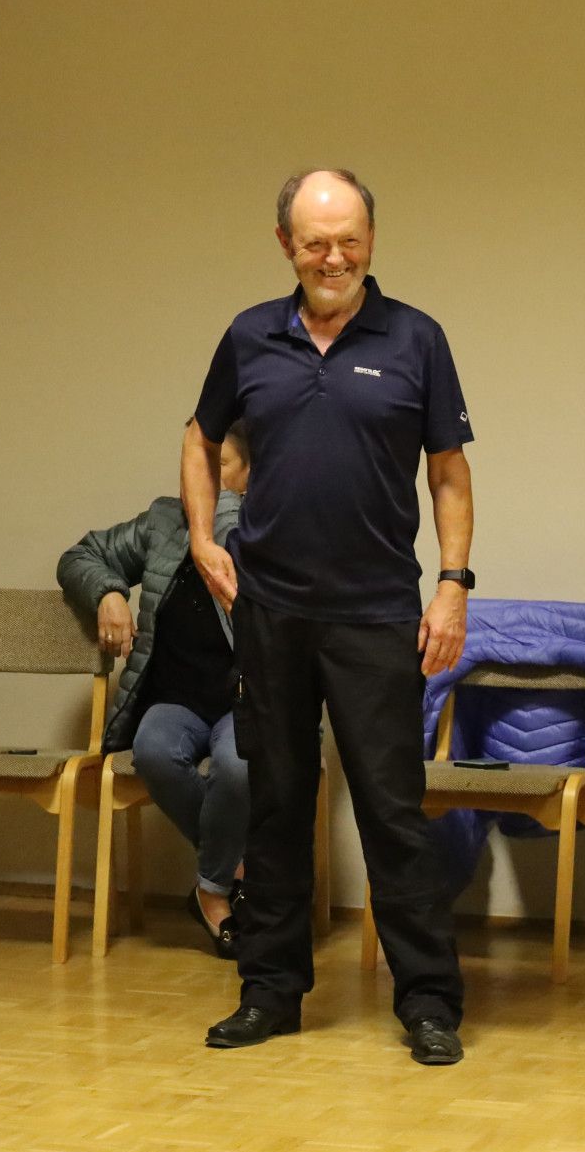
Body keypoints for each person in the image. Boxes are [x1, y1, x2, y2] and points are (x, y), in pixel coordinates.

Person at [184, 168, 473, 1066]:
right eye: (316, 243)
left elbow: (448, 472)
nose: (334, 257)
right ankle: (270, 991)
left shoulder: (417, 338)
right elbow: (199, 435)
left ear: (372, 240)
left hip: (376, 612)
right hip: (270, 611)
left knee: (392, 809)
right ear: (286, 245)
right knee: (275, 804)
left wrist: (453, 583)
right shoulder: (249, 336)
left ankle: (428, 1000)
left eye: (349, 240)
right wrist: (202, 537)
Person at [57, 425, 251, 957]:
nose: (201, 476)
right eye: (195, 462)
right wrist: (109, 593)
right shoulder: (162, 522)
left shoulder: (268, 528)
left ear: (249, 475)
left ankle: (210, 893)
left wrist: (223, 516)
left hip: (245, 701)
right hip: (175, 698)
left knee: (239, 765)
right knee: (152, 750)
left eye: (220, 464)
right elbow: (80, 556)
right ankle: (236, 868)